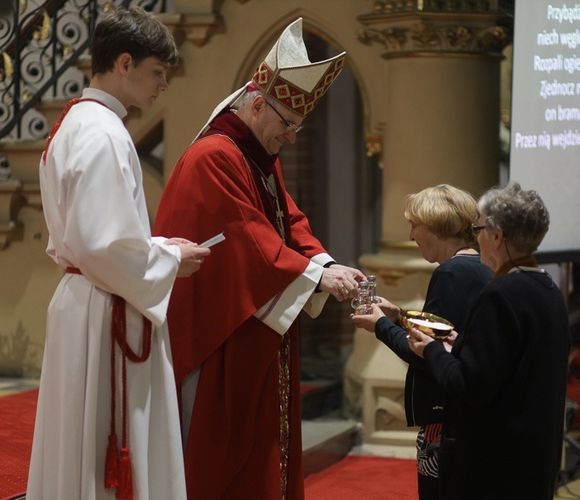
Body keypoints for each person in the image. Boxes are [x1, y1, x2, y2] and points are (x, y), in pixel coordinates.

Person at [152, 18, 365, 499]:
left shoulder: (255, 154)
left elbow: (289, 222)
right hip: (220, 332)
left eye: (297, 127)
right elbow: (247, 240)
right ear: (255, 103)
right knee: (225, 455)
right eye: (287, 125)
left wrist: (326, 265)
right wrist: (313, 277)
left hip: (255, 326)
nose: (291, 138)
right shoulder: (215, 157)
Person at [26, 7, 211, 499]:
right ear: (124, 63)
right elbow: (100, 245)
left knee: (79, 444)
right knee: (108, 444)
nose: (162, 86)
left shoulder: (76, 122)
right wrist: (171, 261)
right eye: (157, 73)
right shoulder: (105, 132)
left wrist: (154, 246)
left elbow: (95, 235)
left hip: (85, 300)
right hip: (106, 309)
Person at [406, 182, 570, 499]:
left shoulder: (501, 294)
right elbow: (514, 369)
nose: (476, 237)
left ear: (497, 237)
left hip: (494, 467)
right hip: (533, 459)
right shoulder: (548, 290)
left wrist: (431, 350)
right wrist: (460, 345)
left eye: (479, 228)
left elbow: (471, 386)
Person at [351, 184, 492, 499]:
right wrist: (399, 316)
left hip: (446, 421)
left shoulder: (450, 272)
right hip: (471, 415)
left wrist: (381, 328)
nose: (412, 235)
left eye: (415, 225)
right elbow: (448, 333)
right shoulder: (480, 265)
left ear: (436, 226)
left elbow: (427, 354)